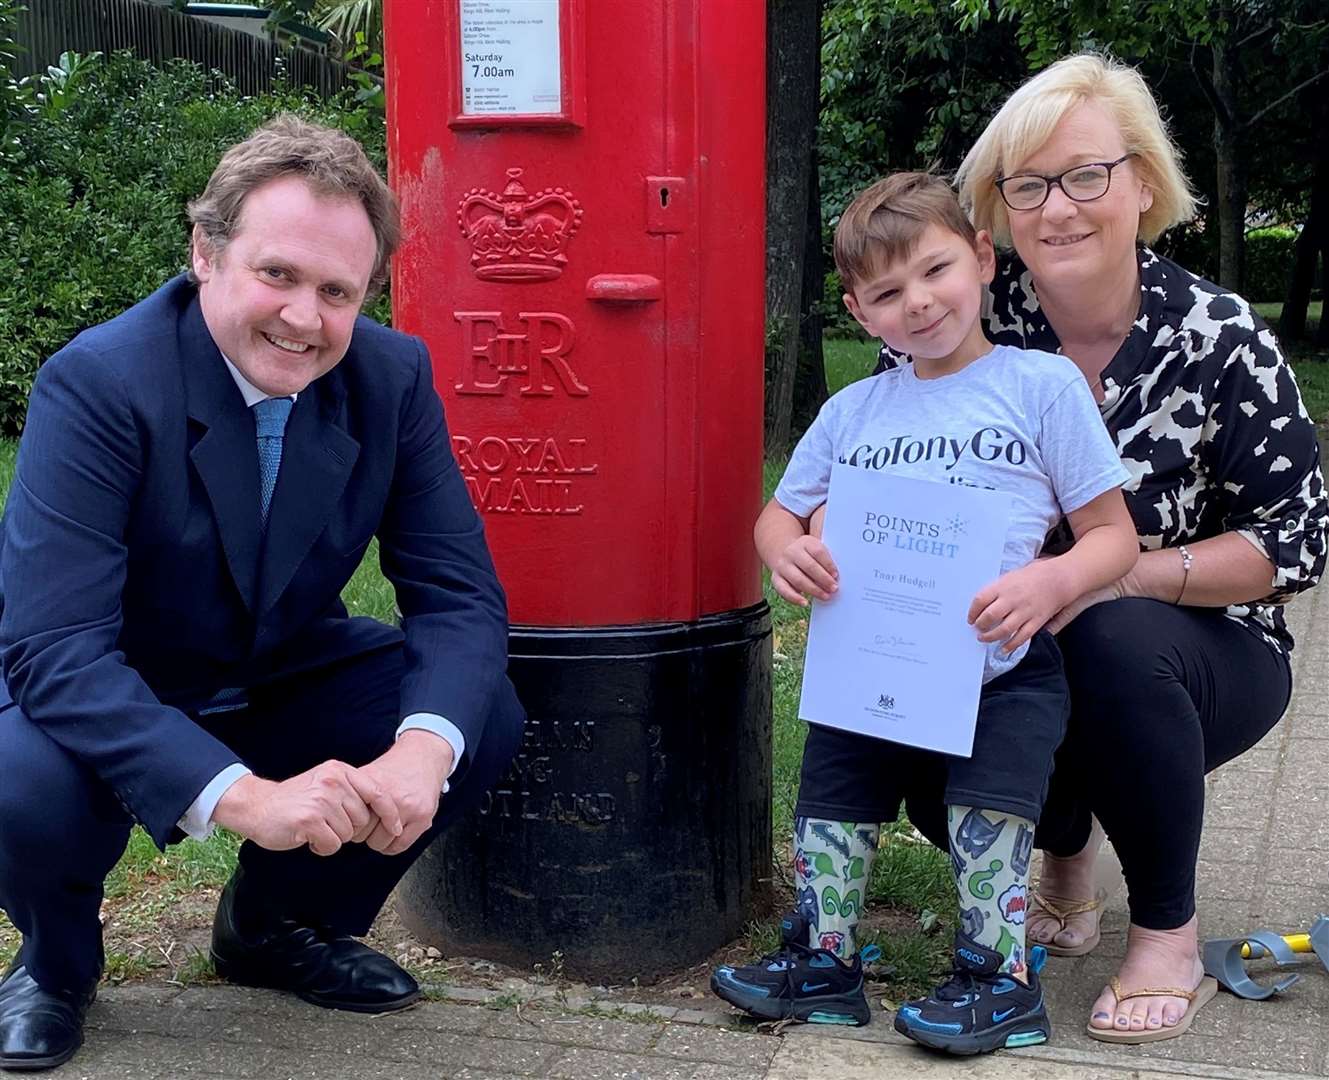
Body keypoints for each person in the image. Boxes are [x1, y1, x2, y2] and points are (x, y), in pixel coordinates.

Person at [0, 115, 524, 1072]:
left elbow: (456, 595)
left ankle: (277, 928)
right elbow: (54, 652)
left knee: (472, 710)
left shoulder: (390, 376)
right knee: (21, 780)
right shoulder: (99, 384)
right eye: (276, 274)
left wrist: (419, 752)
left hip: (274, 664)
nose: (304, 318)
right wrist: (241, 797)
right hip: (109, 677)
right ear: (206, 252)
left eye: (337, 292)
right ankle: (55, 964)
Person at [877, 54, 1328, 1043]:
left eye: (1086, 175)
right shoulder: (955, 322)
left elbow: (1295, 544)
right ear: (994, 210)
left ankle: (1167, 930)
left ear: (1142, 184)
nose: (1059, 208)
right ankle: (1066, 865)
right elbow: (885, 483)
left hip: (1199, 642)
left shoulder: (1222, 339)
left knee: (1106, 638)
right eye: (1026, 184)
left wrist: (1119, 572)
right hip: (1004, 637)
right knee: (909, 697)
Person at [711, 171, 1139, 1056]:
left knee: (989, 816)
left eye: (935, 271)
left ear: (981, 259)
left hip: (1001, 660)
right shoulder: (853, 409)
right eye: (886, 292)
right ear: (859, 313)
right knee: (831, 801)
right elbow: (778, 514)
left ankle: (996, 977)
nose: (918, 303)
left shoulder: (1040, 386)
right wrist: (783, 549)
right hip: (870, 659)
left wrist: (1051, 584)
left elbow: (1111, 536)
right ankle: (824, 961)